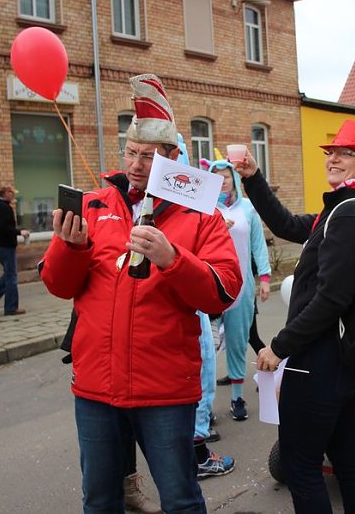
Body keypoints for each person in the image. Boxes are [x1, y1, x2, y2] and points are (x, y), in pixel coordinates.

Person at [40, 74, 242, 513]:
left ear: (172, 159)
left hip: (165, 390)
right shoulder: (95, 203)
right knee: (99, 500)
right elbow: (59, 286)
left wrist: (174, 259)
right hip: (96, 389)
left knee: (182, 501)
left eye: (148, 156)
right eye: (130, 153)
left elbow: (223, 291)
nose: (135, 164)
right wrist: (69, 247)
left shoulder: (200, 213)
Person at [239, 119, 355, 513]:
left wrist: (279, 345)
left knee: (301, 465)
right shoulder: (347, 209)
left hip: (322, 360)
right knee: (345, 456)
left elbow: (331, 299)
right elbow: (288, 225)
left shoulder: (347, 216)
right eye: (332, 152)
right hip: (342, 360)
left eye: (346, 154)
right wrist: (254, 178)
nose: (334, 158)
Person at [201, 152, 271, 422]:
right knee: (205, 348)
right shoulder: (204, 209)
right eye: (217, 179)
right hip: (210, 285)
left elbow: (258, 245)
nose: (223, 183)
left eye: (227, 178)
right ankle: (203, 409)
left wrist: (265, 278)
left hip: (242, 287)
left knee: (239, 343)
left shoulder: (248, 208)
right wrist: (216, 226)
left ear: (233, 179)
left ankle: (237, 398)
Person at [0, 184, 29, 315]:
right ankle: (11, 307)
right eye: (11, 193)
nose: (13, 195)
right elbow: (4, 227)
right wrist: (19, 232)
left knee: (8, 273)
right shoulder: (5, 208)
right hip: (6, 245)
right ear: (5, 193)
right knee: (11, 276)